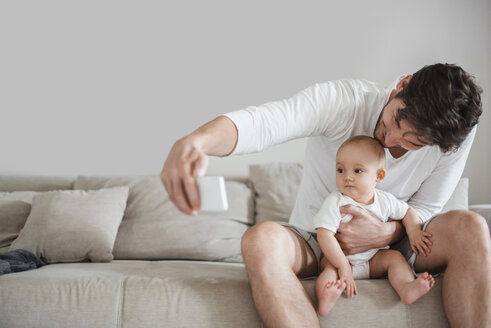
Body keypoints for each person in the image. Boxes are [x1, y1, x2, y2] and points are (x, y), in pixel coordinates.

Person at [161, 63, 490, 328]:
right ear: (402, 84)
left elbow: (427, 207)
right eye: (397, 120)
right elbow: (265, 123)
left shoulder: (454, 134)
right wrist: (197, 142)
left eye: (412, 142)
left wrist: (385, 232)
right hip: (315, 238)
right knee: (260, 240)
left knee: (471, 228)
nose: (392, 141)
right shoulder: (346, 103)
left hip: (399, 241)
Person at [314, 135, 434, 317]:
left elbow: (408, 212)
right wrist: (343, 266)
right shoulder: (335, 201)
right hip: (342, 260)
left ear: (378, 176)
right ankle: (325, 298)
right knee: (328, 267)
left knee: (394, 258)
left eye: (357, 171)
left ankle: (406, 288)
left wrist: (415, 231)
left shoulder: (384, 200)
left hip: (374, 260)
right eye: (340, 170)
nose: (347, 177)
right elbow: (324, 235)